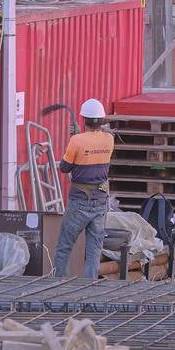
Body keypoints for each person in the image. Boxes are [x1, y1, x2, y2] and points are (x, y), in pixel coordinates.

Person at [53, 98, 114, 278]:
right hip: (100, 201)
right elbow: (93, 146)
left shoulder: (76, 141)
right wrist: (79, 136)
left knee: (64, 247)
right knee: (94, 249)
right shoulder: (109, 140)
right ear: (102, 120)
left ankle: (57, 284)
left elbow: (64, 168)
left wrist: (76, 137)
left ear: (83, 119)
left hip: (79, 202)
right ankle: (89, 288)